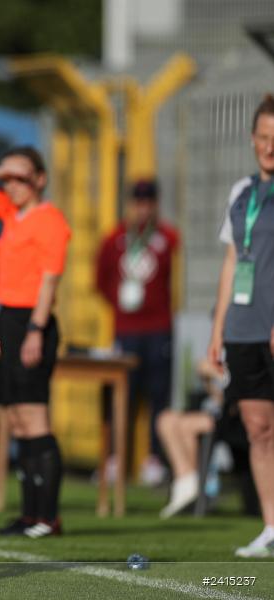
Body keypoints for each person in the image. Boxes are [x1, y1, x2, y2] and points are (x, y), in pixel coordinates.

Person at [0, 147, 71, 539]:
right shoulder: (11, 211)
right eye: (8, 178)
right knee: (14, 420)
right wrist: (6, 169)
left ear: (40, 179)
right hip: (7, 318)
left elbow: (49, 280)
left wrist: (36, 331)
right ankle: (29, 515)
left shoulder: (51, 220)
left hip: (32, 320)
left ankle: (48, 517)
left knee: (34, 418)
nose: (12, 184)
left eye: (22, 177)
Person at [208, 93, 274, 558]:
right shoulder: (241, 193)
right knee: (258, 428)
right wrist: (218, 330)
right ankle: (272, 526)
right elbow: (233, 262)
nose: (270, 147)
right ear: (252, 139)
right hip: (245, 329)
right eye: (265, 138)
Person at [96, 179, 180, 486]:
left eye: (149, 203)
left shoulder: (166, 237)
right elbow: (100, 278)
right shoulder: (116, 238)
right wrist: (119, 303)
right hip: (126, 328)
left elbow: (173, 272)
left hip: (158, 328)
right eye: (138, 203)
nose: (143, 209)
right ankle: (117, 457)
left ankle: (155, 458)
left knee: (159, 395)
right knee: (122, 394)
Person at [156, 358, 225, 518]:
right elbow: (214, 393)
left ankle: (188, 483)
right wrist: (209, 376)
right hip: (208, 412)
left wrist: (218, 373)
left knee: (184, 425)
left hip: (231, 420)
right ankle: (186, 480)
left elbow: (232, 398)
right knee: (166, 419)